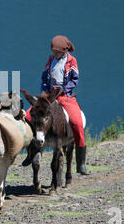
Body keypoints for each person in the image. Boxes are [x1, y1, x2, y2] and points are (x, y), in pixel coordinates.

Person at [23, 35, 90, 175]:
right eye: (53, 51)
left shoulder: (72, 61)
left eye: (57, 52)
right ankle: (30, 152)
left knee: (77, 122)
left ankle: (81, 163)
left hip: (65, 95)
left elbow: (74, 80)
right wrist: (43, 93)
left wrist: (64, 90)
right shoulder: (51, 59)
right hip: (48, 95)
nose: (55, 54)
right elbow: (44, 78)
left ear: (64, 50)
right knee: (29, 116)